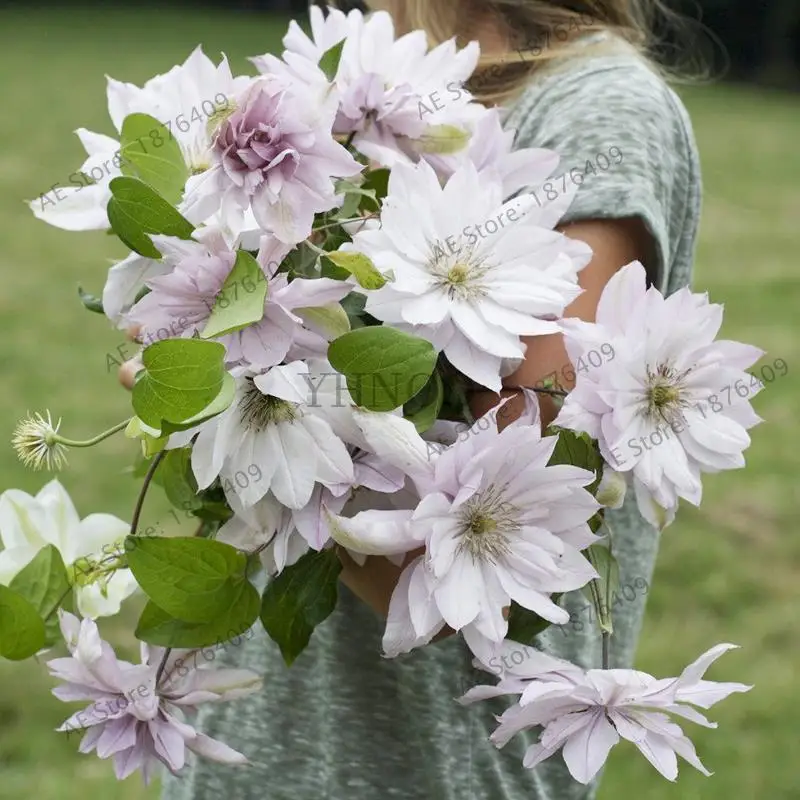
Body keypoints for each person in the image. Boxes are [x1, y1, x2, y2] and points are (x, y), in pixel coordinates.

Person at [147, 1, 702, 798]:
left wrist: (234, 398)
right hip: (264, 745)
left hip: (419, 767)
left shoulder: (595, 106)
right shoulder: (343, 85)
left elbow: (468, 556)